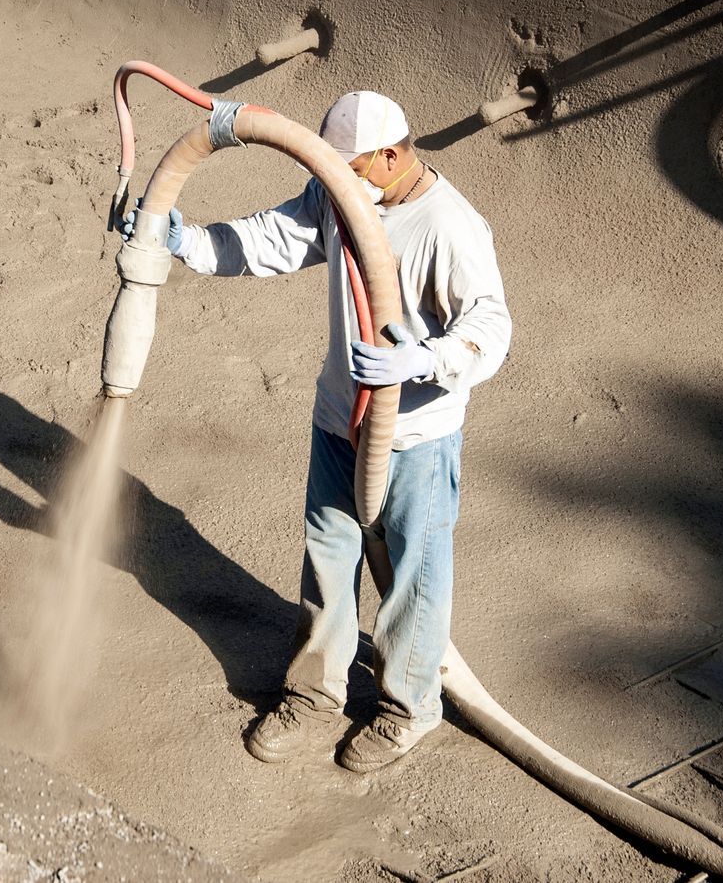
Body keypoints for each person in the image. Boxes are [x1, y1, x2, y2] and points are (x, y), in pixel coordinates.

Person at [141, 90, 511, 772]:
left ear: (393, 155)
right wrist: (186, 241)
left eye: (347, 166)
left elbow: (492, 329)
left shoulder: (451, 227)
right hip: (339, 418)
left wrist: (422, 359)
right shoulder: (340, 196)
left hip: (416, 436)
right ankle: (315, 694)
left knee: (413, 576)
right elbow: (269, 239)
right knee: (329, 558)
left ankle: (408, 707)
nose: (332, 178)